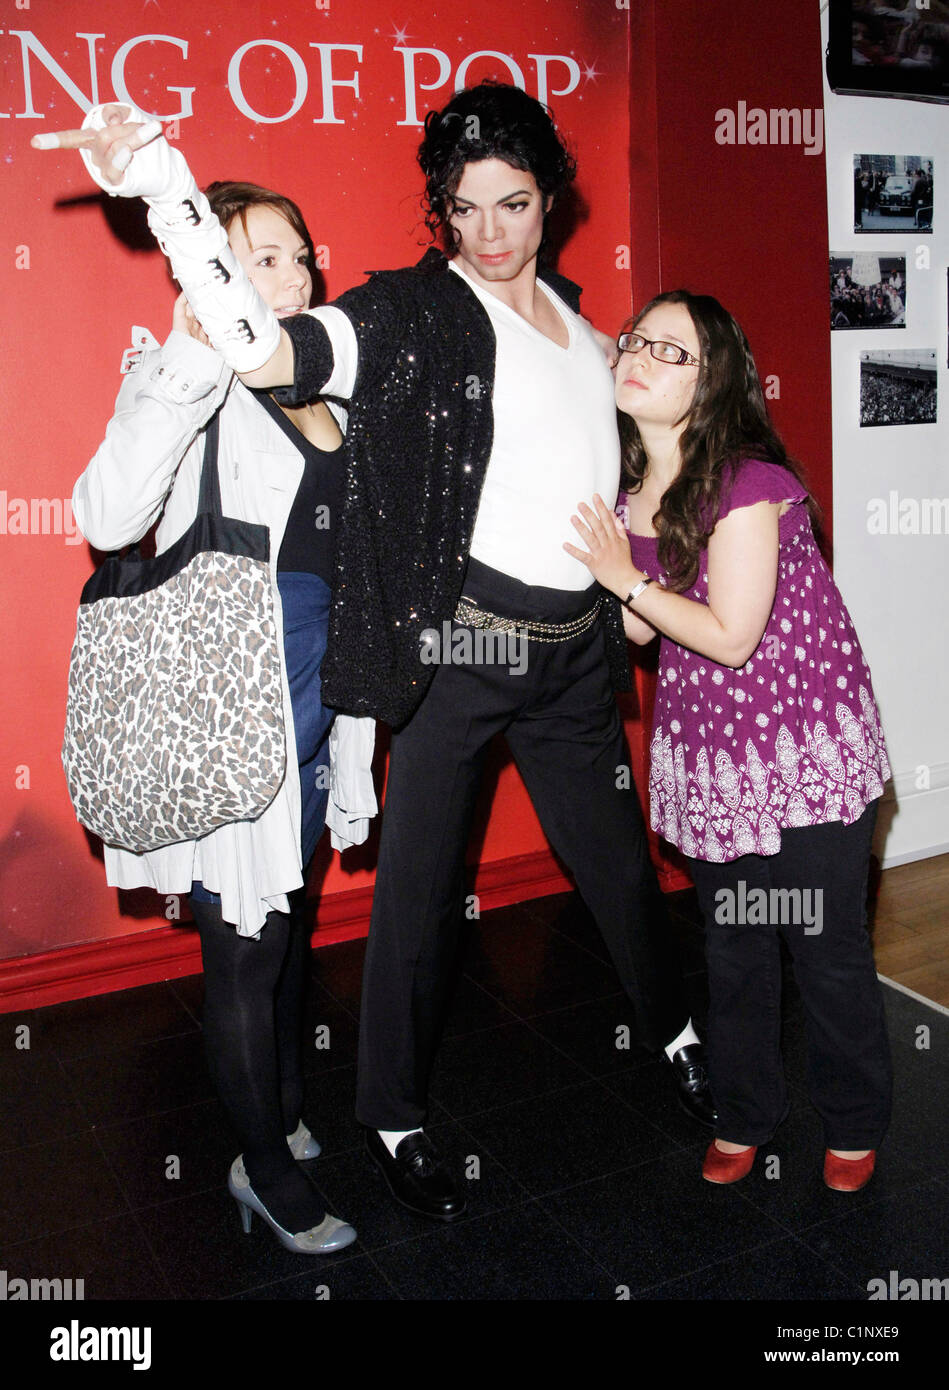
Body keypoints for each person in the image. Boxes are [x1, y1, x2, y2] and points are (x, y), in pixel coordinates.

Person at [39, 82, 715, 1227]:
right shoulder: (408, 313)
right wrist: (163, 185)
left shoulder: (585, 331)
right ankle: (370, 1121)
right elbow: (258, 359)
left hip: (504, 667)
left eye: (513, 203)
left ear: (549, 197)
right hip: (363, 670)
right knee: (388, 908)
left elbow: (628, 447)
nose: (491, 232)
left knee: (609, 865)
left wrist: (665, 572)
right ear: (440, 213)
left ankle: (678, 1032)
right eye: (466, 208)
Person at [68, 156, 371, 1252]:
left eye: (297, 254)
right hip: (228, 708)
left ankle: (279, 1115)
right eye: (257, 258)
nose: (289, 275)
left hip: (318, 709)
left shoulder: (330, 382)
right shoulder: (179, 375)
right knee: (243, 948)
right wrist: (195, 358)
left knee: (285, 933)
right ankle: (259, 1169)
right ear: (202, 275)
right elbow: (105, 513)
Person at [564, 290, 893, 1192]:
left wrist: (619, 579)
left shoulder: (748, 481)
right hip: (714, 758)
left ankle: (854, 1123)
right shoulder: (632, 490)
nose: (638, 355)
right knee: (734, 944)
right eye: (636, 342)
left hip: (801, 753)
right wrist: (605, 580)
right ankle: (746, 1114)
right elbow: (636, 633)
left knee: (822, 946)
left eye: (671, 352)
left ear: (712, 384)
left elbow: (729, 634)